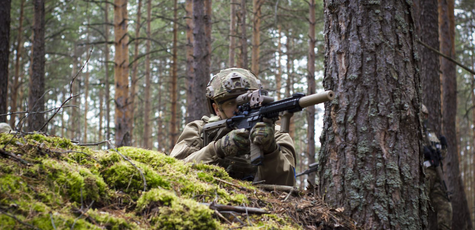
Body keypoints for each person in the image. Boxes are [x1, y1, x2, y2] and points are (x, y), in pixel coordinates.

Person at [170, 68, 296, 186]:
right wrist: (217, 149)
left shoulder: (276, 134)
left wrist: (271, 151)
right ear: (217, 109)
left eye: (246, 100)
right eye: (231, 103)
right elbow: (171, 171)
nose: (239, 108)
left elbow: (288, 183)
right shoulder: (198, 131)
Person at [421, 105, 452, 230]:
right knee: (420, 209)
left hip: (437, 177)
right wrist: (423, 151)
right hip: (424, 177)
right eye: (422, 114)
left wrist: (443, 148)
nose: (424, 117)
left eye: (426, 115)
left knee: (446, 207)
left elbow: (441, 155)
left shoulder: (431, 135)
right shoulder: (413, 132)